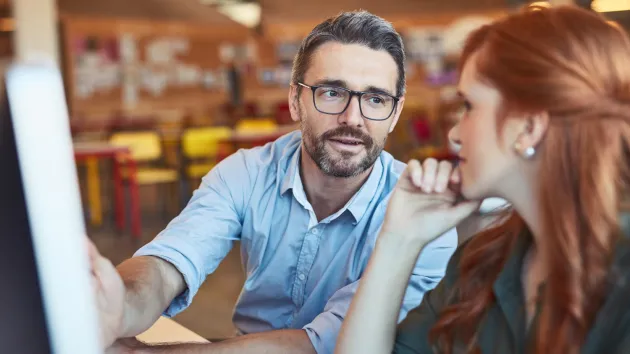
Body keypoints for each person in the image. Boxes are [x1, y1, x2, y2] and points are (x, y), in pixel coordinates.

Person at [90, 10, 458, 354]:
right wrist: (119, 304)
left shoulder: (421, 217)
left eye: (375, 99)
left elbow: (328, 345)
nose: (353, 118)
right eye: (332, 93)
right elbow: (169, 262)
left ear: (394, 113)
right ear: (296, 101)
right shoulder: (247, 173)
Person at [336, 5, 630, 354]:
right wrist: (399, 240)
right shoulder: (482, 260)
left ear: (529, 128)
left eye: (470, 107)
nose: (455, 135)